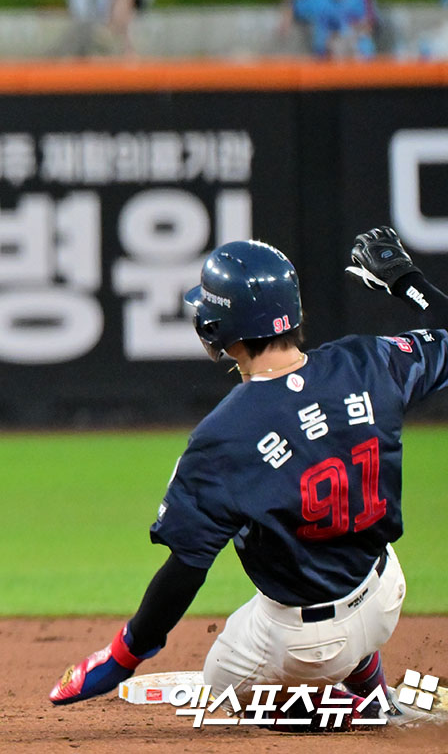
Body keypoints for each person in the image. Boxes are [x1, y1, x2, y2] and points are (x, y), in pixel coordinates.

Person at [48, 230, 448, 728]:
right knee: (327, 560)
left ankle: (356, 712)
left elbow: (186, 567)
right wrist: (407, 281)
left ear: (217, 328)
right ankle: (371, 686)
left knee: (221, 690)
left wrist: (121, 657)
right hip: (385, 591)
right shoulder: (369, 363)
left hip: (307, 643)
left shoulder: (225, 435)